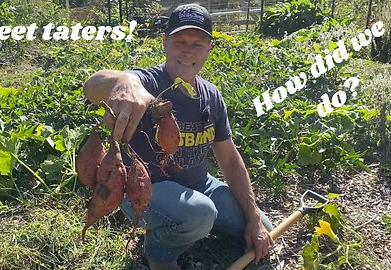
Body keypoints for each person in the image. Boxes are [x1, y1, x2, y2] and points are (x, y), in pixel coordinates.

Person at [83, 3, 273, 269]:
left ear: (209, 48)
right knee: (201, 213)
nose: (187, 51)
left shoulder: (211, 95)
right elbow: (92, 85)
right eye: (179, 41)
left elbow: (229, 159)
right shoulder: (144, 83)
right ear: (164, 42)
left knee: (264, 227)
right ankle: (159, 251)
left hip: (199, 185)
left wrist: (252, 217)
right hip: (145, 191)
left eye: (198, 44)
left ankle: (190, 224)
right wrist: (122, 83)